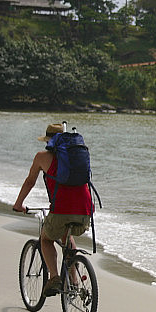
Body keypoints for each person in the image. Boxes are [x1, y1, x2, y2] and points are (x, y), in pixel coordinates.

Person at [13, 123, 94, 296]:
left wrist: (19, 204)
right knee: (67, 237)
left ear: (49, 140)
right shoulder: (77, 157)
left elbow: (30, 182)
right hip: (85, 211)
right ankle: (74, 283)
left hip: (61, 210)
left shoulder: (42, 157)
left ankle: (54, 277)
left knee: (46, 239)